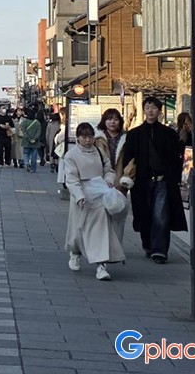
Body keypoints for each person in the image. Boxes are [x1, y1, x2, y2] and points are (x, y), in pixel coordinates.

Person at [122, 96, 188, 263]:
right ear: (143, 110)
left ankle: (159, 250)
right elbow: (128, 158)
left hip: (163, 180)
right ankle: (148, 244)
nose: (150, 110)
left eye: (154, 107)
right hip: (141, 182)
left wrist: (176, 178)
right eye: (147, 107)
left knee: (161, 215)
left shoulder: (168, 134)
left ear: (159, 111)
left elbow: (175, 158)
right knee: (144, 214)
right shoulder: (134, 134)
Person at [63, 121, 126, 281]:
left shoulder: (98, 151)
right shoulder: (71, 155)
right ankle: (75, 253)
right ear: (78, 138)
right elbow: (71, 179)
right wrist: (79, 196)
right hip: (82, 195)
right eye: (84, 137)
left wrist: (109, 179)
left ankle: (101, 266)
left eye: (90, 137)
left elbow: (108, 169)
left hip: (99, 193)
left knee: (101, 230)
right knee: (78, 230)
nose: (87, 140)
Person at [96, 108, 133, 241]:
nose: (113, 122)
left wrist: (127, 176)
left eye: (116, 119)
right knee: (101, 214)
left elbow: (132, 160)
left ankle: (116, 245)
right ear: (104, 121)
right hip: (101, 181)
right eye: (109, 119)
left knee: (118, 214)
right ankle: (102, 244)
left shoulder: (126, 138)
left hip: (119, 181)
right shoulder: (97, 138)